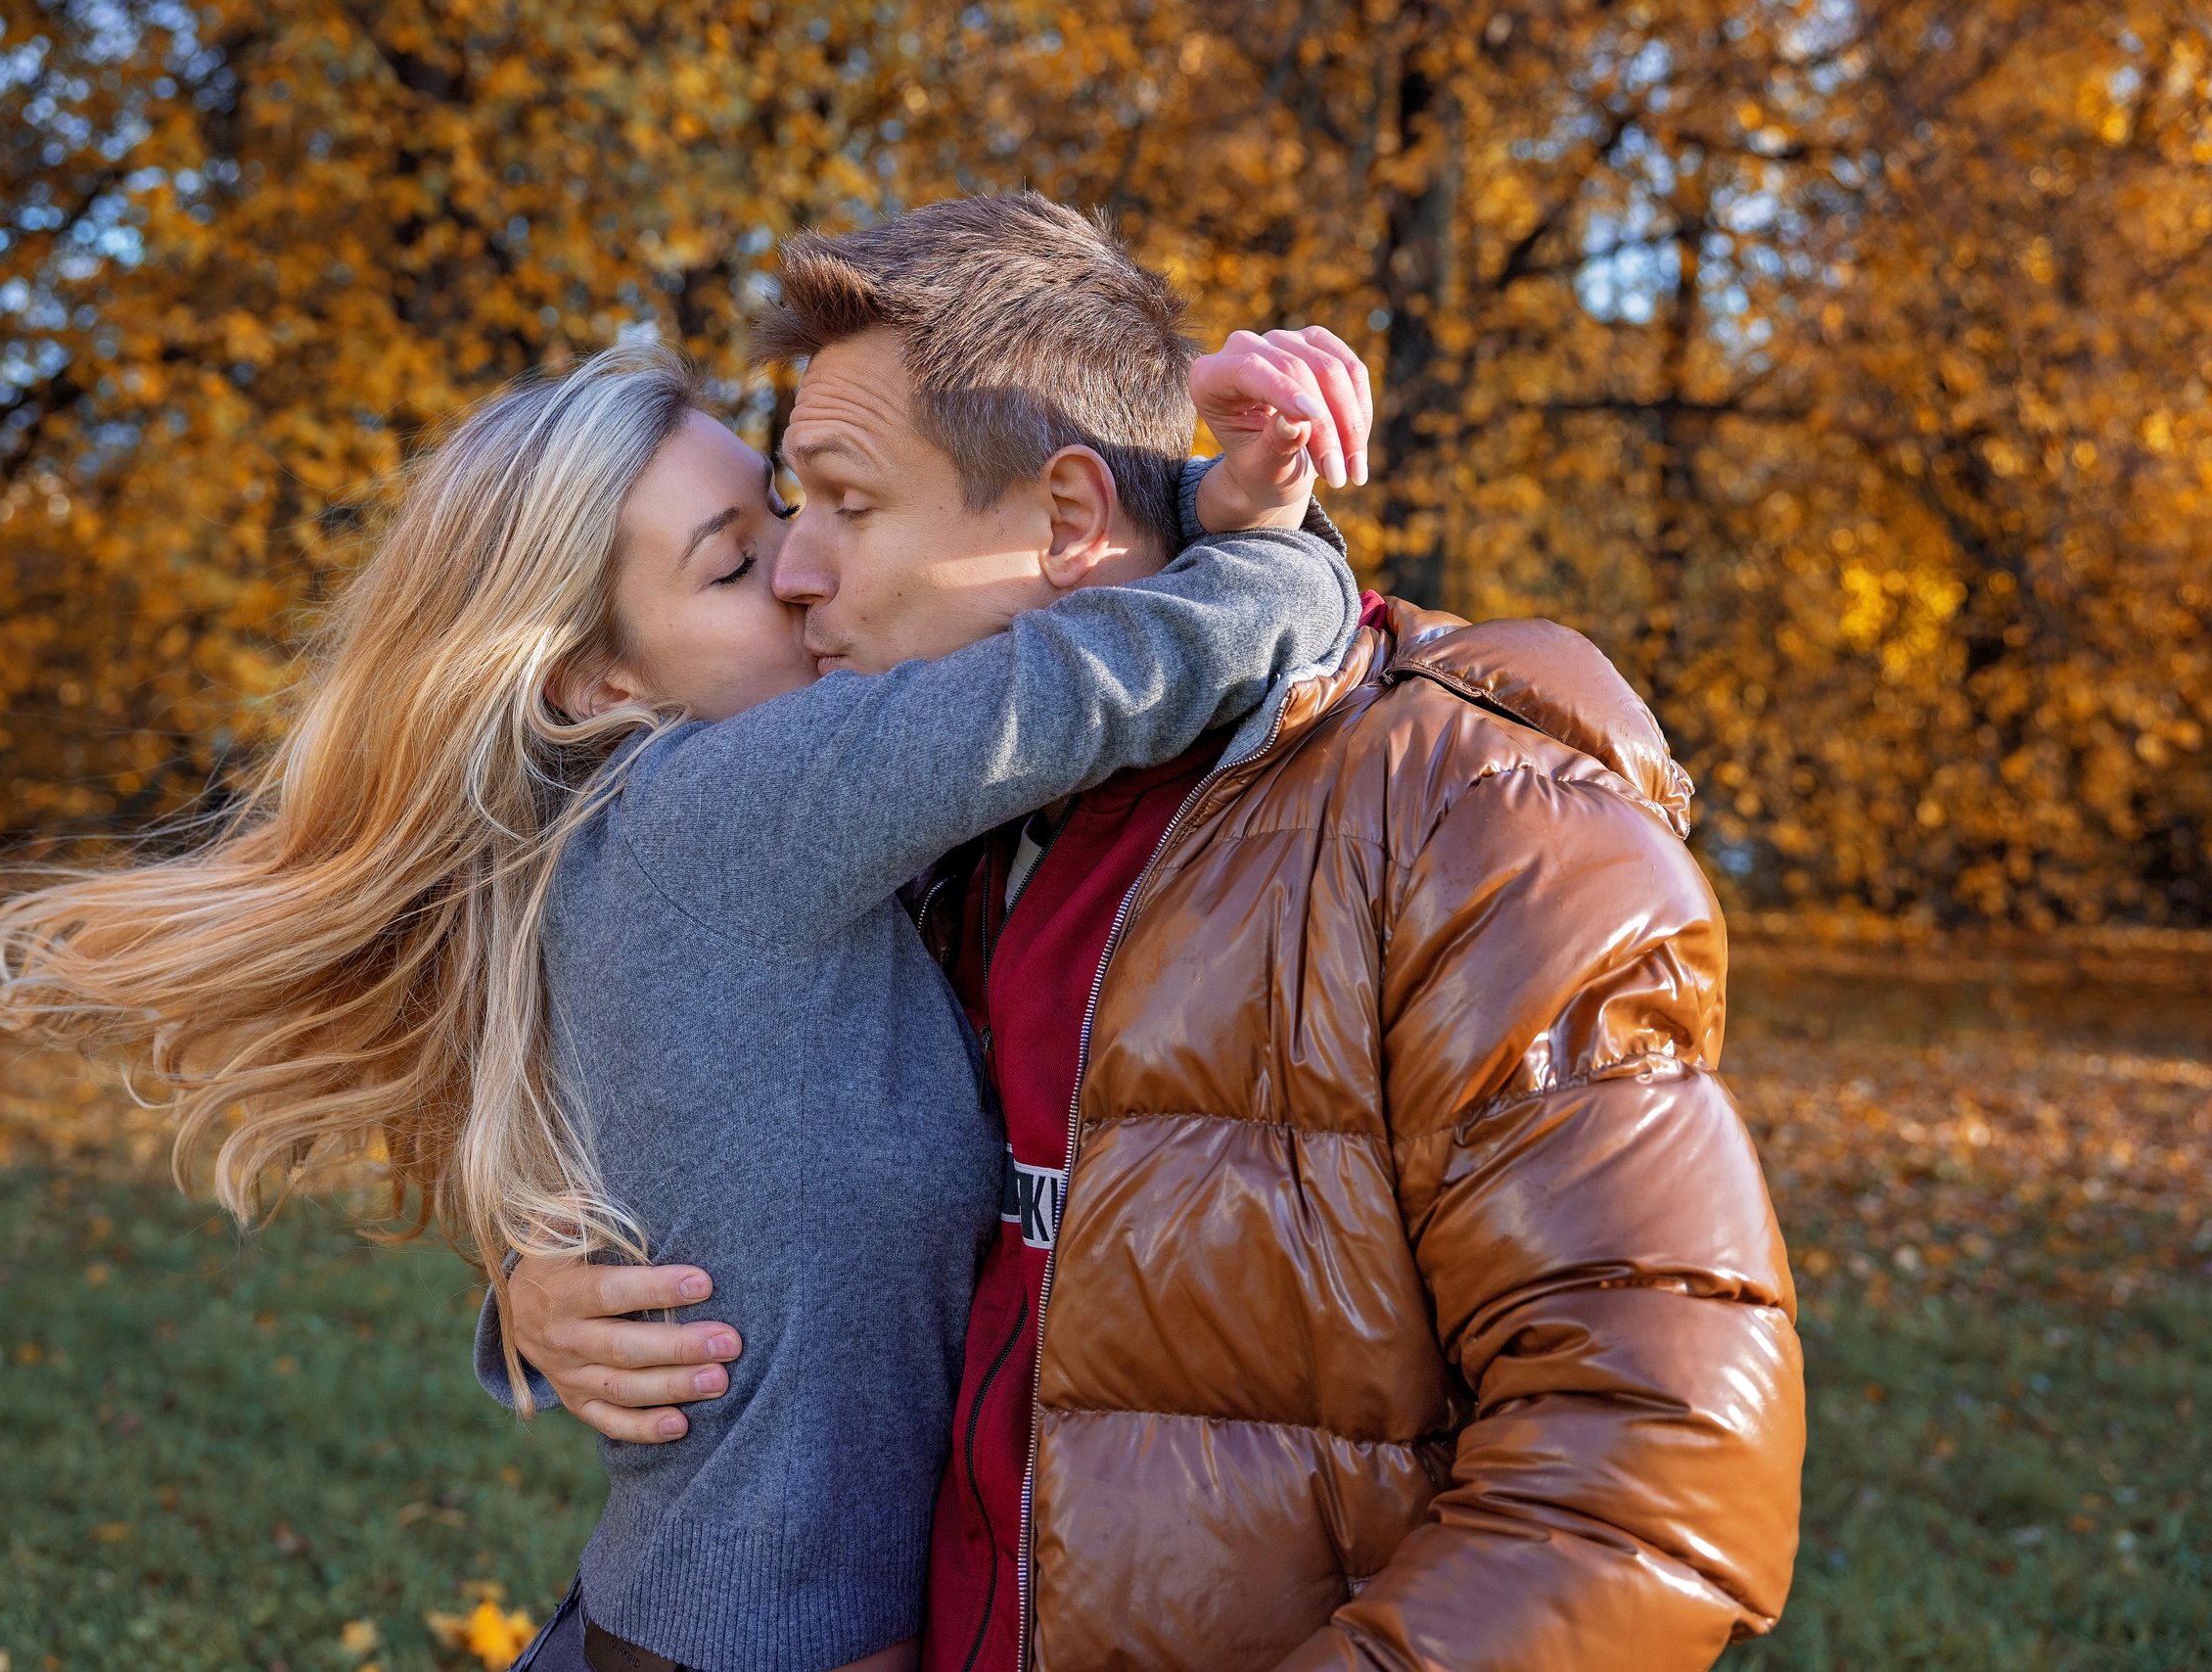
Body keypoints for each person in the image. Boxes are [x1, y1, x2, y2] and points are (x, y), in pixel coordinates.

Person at [0, 222, 1373, 1671]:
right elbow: (1111, 673)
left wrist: (527, 1291)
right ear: (594, 677)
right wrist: (1246, 528)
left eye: (798, 518)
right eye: (735, 567)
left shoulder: (636, 840)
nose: (798, 576)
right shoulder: (724, 814)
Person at [499, 192, 1807, 1672]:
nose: (798, 569)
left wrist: (1210, 512)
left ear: (1066, 517)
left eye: (844, 504)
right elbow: (739, 1133)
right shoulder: (928, 844)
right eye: (777, 521)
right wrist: (545, 1283)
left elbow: (1656, 1463)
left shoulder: (1467, 825)